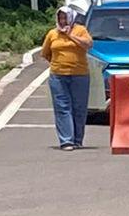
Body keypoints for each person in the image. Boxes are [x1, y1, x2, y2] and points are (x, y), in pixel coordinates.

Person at [39, 8, 93, 151]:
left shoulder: (80, 30)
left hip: (79, 74)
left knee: (79, 108)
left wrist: (70, 35)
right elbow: (45, 53)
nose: (62, 21)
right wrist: (58, 64)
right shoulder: (52, 34)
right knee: (62, 107)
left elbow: (88, 44)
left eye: (65, 18)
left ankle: (77, 139)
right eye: (60, 18)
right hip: (58, 75)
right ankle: (66, 140)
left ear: (71, 18)